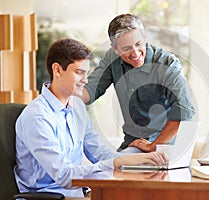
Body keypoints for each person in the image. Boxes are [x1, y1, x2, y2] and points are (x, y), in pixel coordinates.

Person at [14, 38, 167, 198]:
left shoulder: (77, 107)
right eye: (79, 72)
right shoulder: (37, 117)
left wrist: (137, 156)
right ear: (57, 70)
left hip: (78, 194)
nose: (85, 80)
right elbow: (65, 176)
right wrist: (120, 162)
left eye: (86, 73)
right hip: (50, 196)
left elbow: (99, 154)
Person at [80, 13, 195, 153]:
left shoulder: (167, 63)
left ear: (144, 37)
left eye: (139, 44)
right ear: (115, 49)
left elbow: (184, 109)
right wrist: (65, 90)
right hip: (131, 144)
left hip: (164, 145)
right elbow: (89, 91)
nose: (135, 53)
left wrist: (153, 146)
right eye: (127, 48)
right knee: (109, 166)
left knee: (115, 165)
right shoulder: (112, 58)